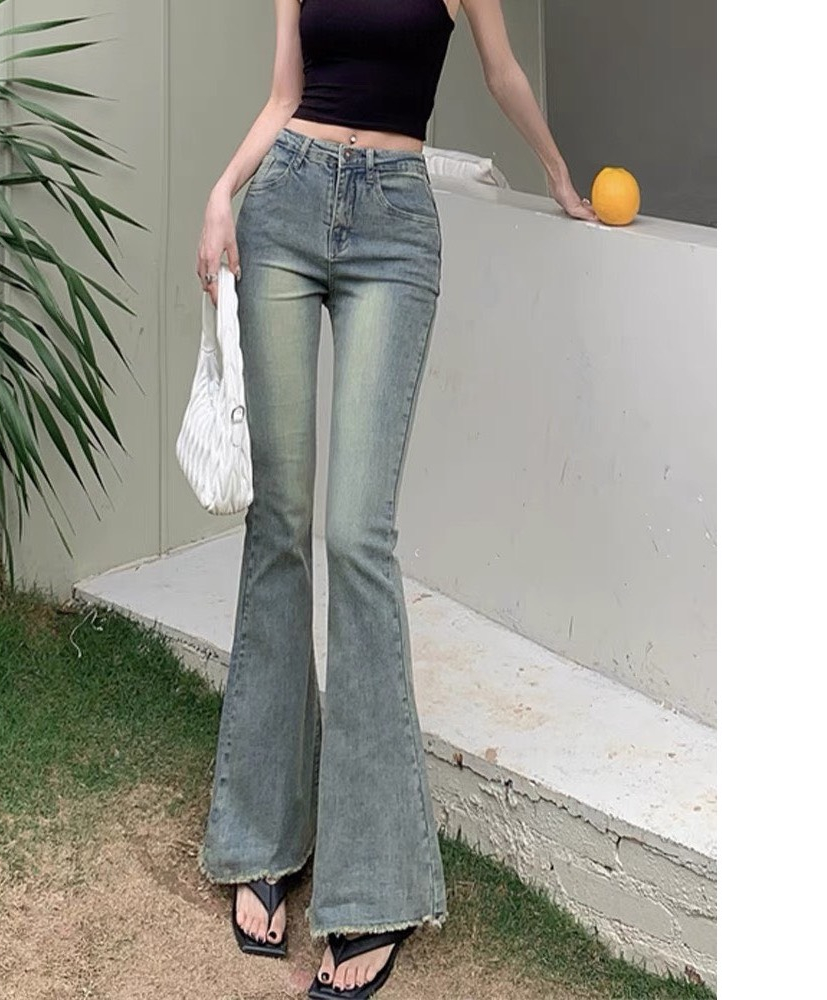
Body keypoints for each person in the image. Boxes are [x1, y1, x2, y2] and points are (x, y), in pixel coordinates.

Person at [195, 2, 595, 996]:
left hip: (393, 224)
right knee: (279, 524)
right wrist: (221, 194)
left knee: (354, 536)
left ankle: (375, 883)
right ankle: (263, 837)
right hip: (284, 205)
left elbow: (502, 72)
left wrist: (556, 171)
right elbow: (284, 96)